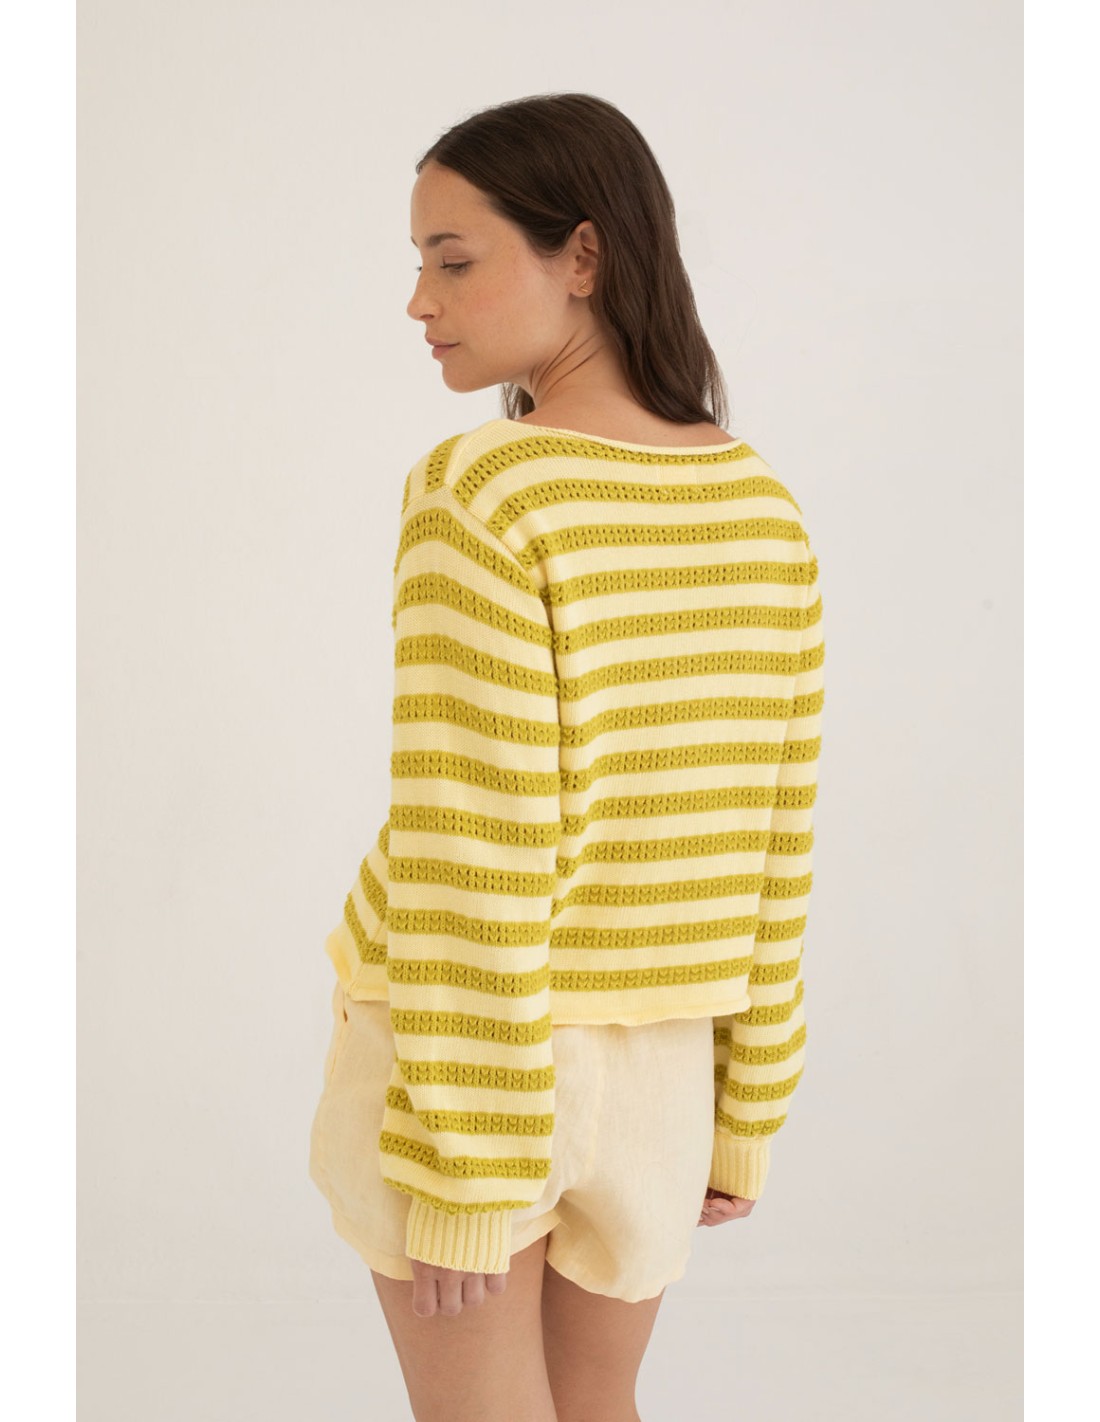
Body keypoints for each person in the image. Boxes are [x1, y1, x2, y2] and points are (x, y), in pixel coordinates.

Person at [308, 92, 825, 1422]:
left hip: (478, 1054)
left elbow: (474, 845)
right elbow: (778, 840)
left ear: (583, 255)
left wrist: (468, 1168)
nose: (420, 301)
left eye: (453, 259)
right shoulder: (763, 506)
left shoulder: (488, 492)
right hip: (665, 1063)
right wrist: (746, 1105)